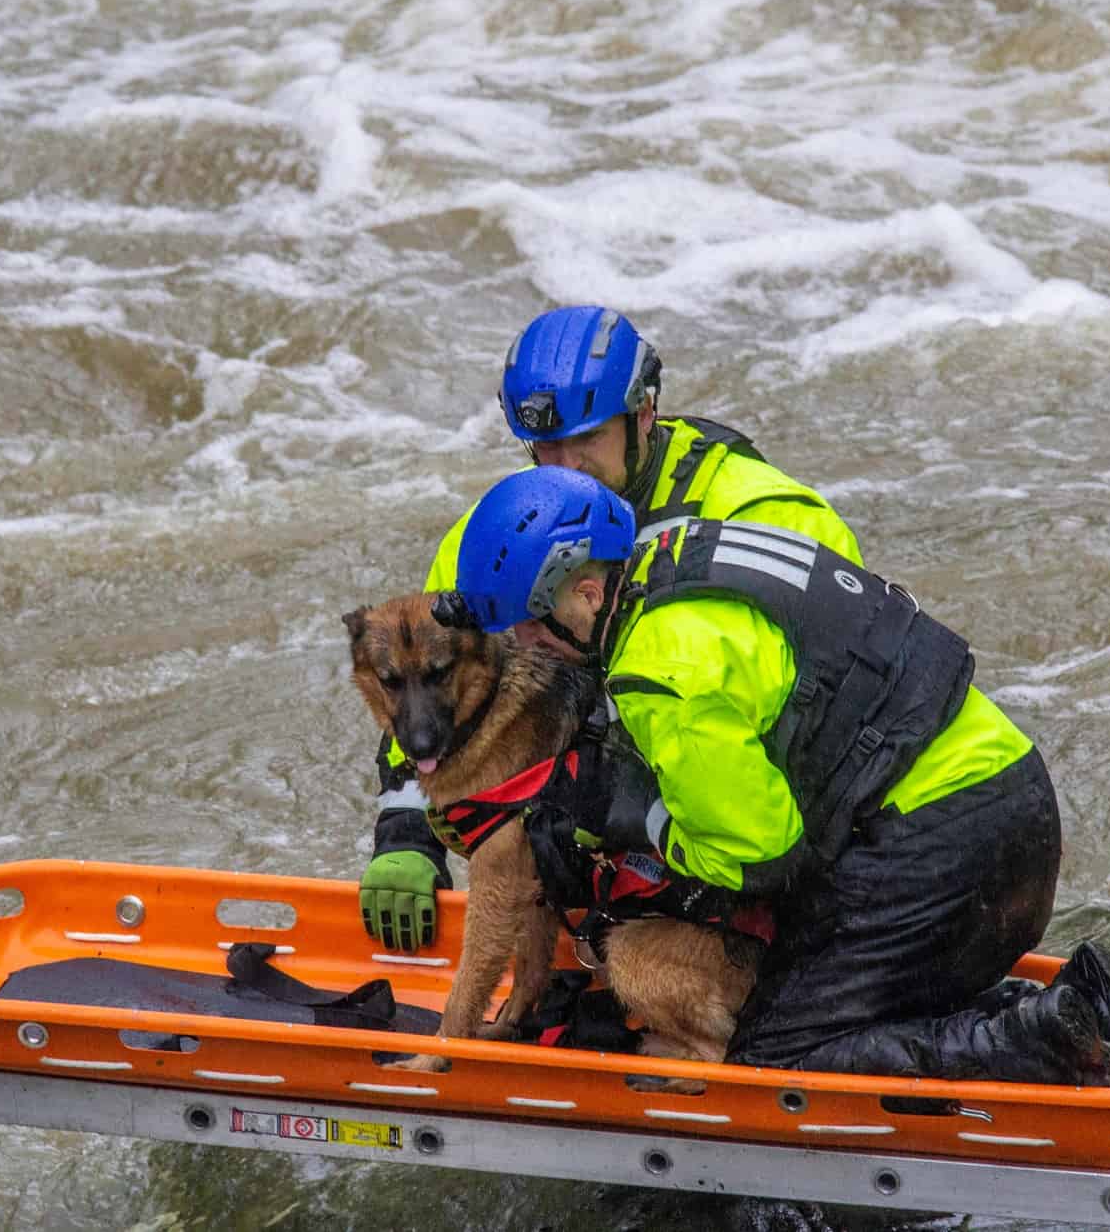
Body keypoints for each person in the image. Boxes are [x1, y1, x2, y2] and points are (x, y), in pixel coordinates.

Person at [444, 464, 1110, 1089]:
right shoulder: (686, 548)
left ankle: (1037, 1039)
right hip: (1011, 797)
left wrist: (634, 820)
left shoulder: (657, 668)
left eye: (531, 627)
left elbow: (760, 854)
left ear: (583, 591)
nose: (527, 651)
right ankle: (1094, 999)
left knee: (777, 1062)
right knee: (841, 994)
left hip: (936, 855)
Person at [358, 305, 863, 953]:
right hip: (599, 807)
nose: (566, 463)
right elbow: (430, 684)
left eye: (588, 438)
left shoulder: (762, 510)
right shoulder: (500, 533)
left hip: (741, 791)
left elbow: (840, 696)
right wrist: (405, 835)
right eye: (547, 445)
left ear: (644, 414)